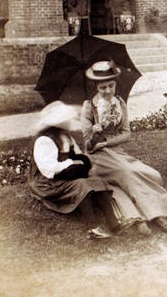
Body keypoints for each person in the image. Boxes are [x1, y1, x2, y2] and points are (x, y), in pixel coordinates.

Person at [81, 61, 167, 235]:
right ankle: (156, 216)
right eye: (103, 88)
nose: (108, 91)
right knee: (127, 172)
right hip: (96, 156)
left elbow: (126, 133)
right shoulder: (89, 107)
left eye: (111, 86)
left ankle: (147, 211)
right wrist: (95, 134)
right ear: (96, 86)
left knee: (152, 174)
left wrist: (107, 141)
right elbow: (88, 145)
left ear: (116, 84)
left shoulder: (119, 103)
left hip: (116, 152)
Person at [28, 101, 119, 239]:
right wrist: (71, 162)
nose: (70, 122)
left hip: (66, 176)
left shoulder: (67, 138)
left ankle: (115, 223)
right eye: (66, 120)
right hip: (48, 183)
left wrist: (81, 161)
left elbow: (79, 157)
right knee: (82, 185)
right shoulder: (45, 141)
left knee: (97, 181)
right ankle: (92, 228)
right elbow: (49, 169)